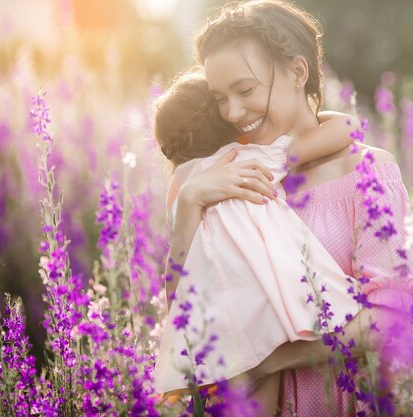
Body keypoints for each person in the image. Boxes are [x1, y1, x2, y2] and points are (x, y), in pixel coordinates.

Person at [185, 1, 413, 415]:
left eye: (245, 90)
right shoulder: (234, 177)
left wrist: (270, 360)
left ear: (298, 72)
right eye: (220, 98)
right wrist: (193, 200)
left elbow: (390, 317)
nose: (232, 112)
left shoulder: (367, 172)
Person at [151, 70, 365, 416]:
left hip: (215, 321)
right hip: (262, 305)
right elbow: (351, 127)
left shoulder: (180, 188)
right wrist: (313, 115)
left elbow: (175, 284)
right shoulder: (247, 159)